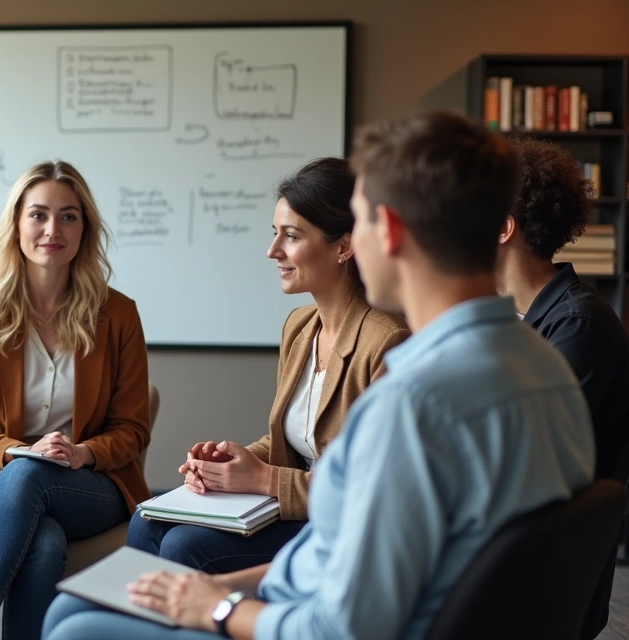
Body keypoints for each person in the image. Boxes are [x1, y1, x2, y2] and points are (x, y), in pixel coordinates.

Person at [42, 111, 595, 640]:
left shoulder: (413, 404)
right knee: (81, 602)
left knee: (74, 622)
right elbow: (341, 556)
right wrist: (216, 586)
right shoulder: (544, 366)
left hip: (329, 624)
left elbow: (339, 627)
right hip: (350, 599)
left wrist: (218, 606)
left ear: (389, 232)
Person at [127, 157, 408, 574]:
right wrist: (229, 461)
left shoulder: (386, 342)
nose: (273, 250)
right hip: (298, 509)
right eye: (275, 234)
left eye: (291, 236)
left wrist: (263, 479)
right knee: (146, 522)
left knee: (185, 546)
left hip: (346, 527)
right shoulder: (299, 327)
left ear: (344, 246)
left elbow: (375, 487)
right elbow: (297, 442)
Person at [0, 160, 151, 640]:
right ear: (17, 224)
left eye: (69, 216)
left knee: (33, 478)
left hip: (88, 482)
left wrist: (83, 452)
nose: (53, 229)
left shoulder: (119, 315)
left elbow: (133, 428)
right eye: (39, 215)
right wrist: (18, 451)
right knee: (44, 540)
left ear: (84, 229)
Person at [494, 137, 629, 639]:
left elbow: (518, 460)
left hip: (541, 572)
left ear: (503, 227)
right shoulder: (516, 320)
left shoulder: (579, 326)